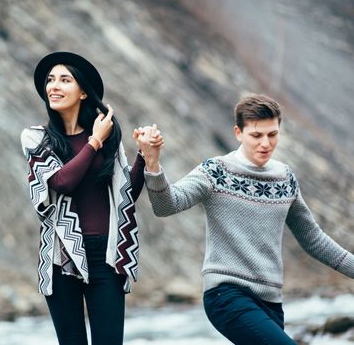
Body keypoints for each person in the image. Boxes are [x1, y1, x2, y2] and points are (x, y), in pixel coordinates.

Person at [134, 93, 354, 345]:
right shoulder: (215, 171)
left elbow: (314, 240)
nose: (266, 143)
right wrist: (152, 162)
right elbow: (166, 205)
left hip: (271, 302)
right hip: (226, 295)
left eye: (272, 135)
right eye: (256, 135)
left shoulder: (285, 178)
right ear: (238, 133)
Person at [20, 52, 162, 345]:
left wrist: (144, 154)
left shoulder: (108, 138)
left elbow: (126, 196)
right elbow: (61, 182)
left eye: (64, 80)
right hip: (60, 257)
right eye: (50, 80)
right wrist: (94, 141)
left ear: (83, 91)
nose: (54, 86)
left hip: (105, 257)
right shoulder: (36, 138)